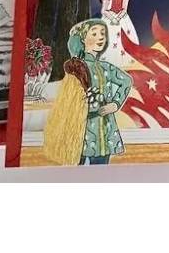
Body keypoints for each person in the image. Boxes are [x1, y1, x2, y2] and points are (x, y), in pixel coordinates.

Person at [42, 19, 132, 166]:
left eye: (103, 33)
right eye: (94, 33)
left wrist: (115, 104)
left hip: (105, 130)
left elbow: (127, 81)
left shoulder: (105, 67)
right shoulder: (76, 68)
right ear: (83, 38)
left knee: (102, 169)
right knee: (77, 170)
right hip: (81, 131)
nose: (100, 37)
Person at [99, 0, 138, 69]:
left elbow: (124, 9)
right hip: (110, 18)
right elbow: (104, 10)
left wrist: (119, 17)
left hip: (122, 19)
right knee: (110, 40)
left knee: (125, 40)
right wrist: (112, 18)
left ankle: (124, 66)